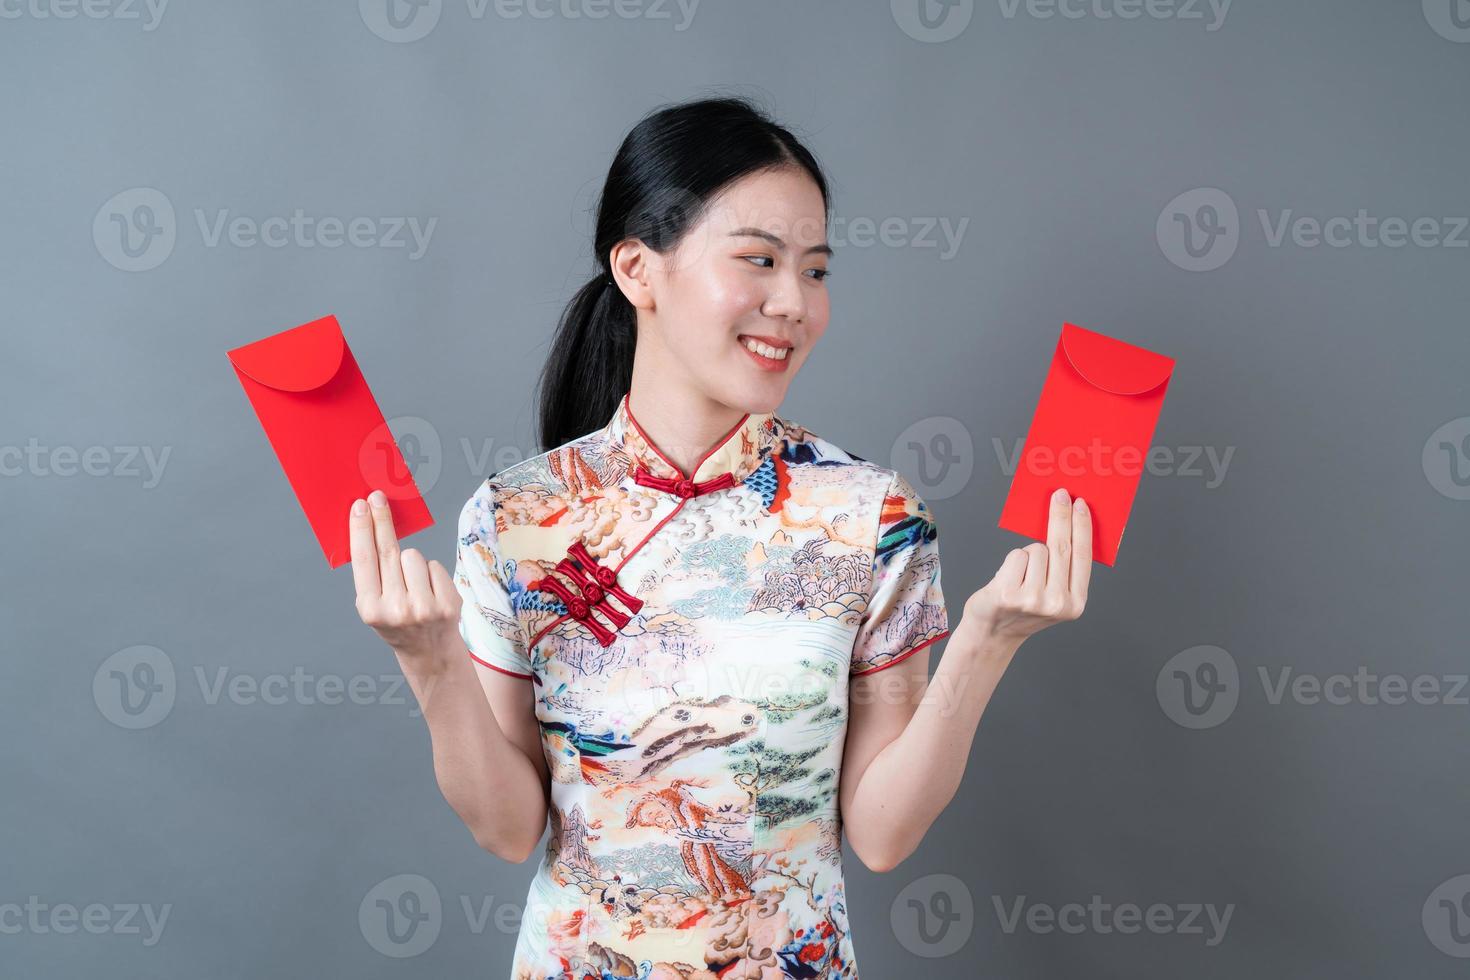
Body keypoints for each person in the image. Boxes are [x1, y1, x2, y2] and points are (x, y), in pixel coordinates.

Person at [349, 95, 1091, 980]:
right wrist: (431, 661)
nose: (794, 302)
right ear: (637, 269)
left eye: (815, 271)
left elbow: (884, 836)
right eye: (759, 260)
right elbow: (509, 831)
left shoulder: (871, 518)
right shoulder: (518, 518)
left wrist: (988, 641)